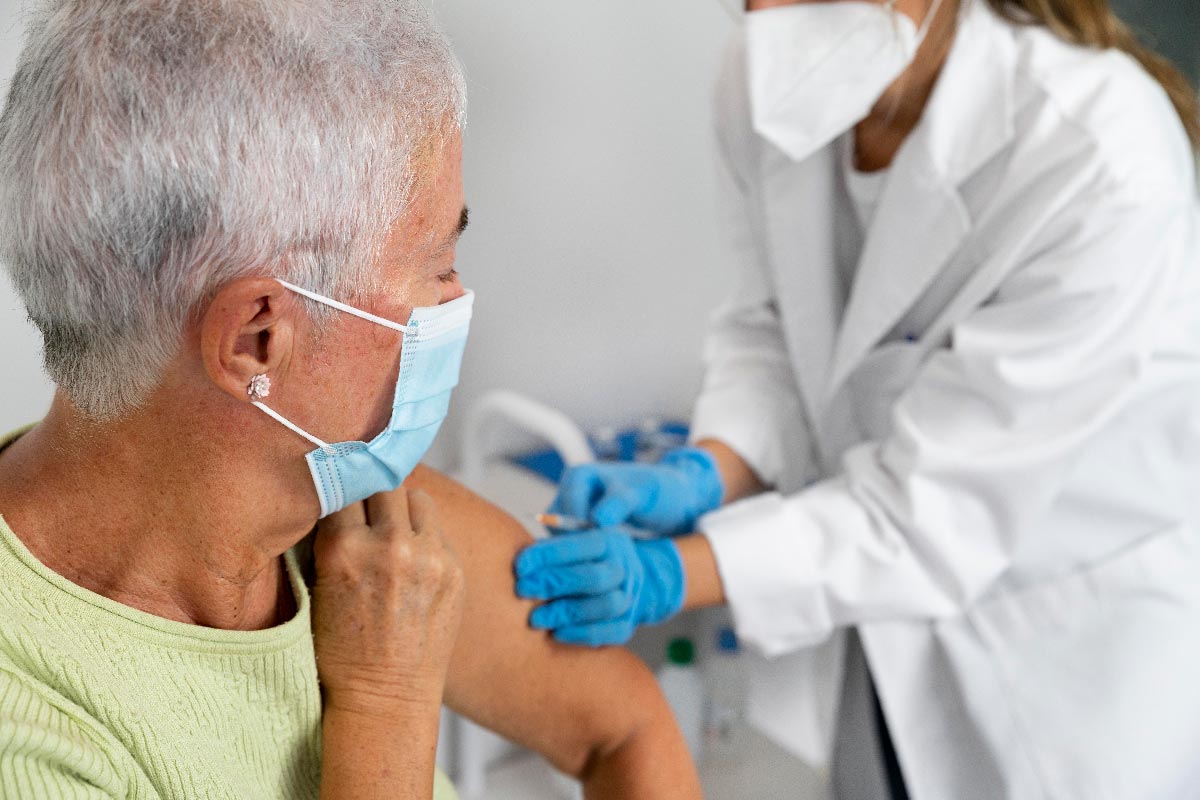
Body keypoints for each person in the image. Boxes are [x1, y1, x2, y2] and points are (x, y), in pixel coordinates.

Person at [0, 2, 704, 798]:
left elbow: (627, 726)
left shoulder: (356, 516)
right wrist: (387, 703)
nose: (460, 296)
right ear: (257, 340)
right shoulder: (32, 744)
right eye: (438, 264)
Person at [515, 0, 1200, 797]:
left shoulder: (1098, 154)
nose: (767, 14)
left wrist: (668, 574)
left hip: (1066, 662)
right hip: (878, 623)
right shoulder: (763, 79)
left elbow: (930, 515)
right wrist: (711, 468)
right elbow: (772, 329)